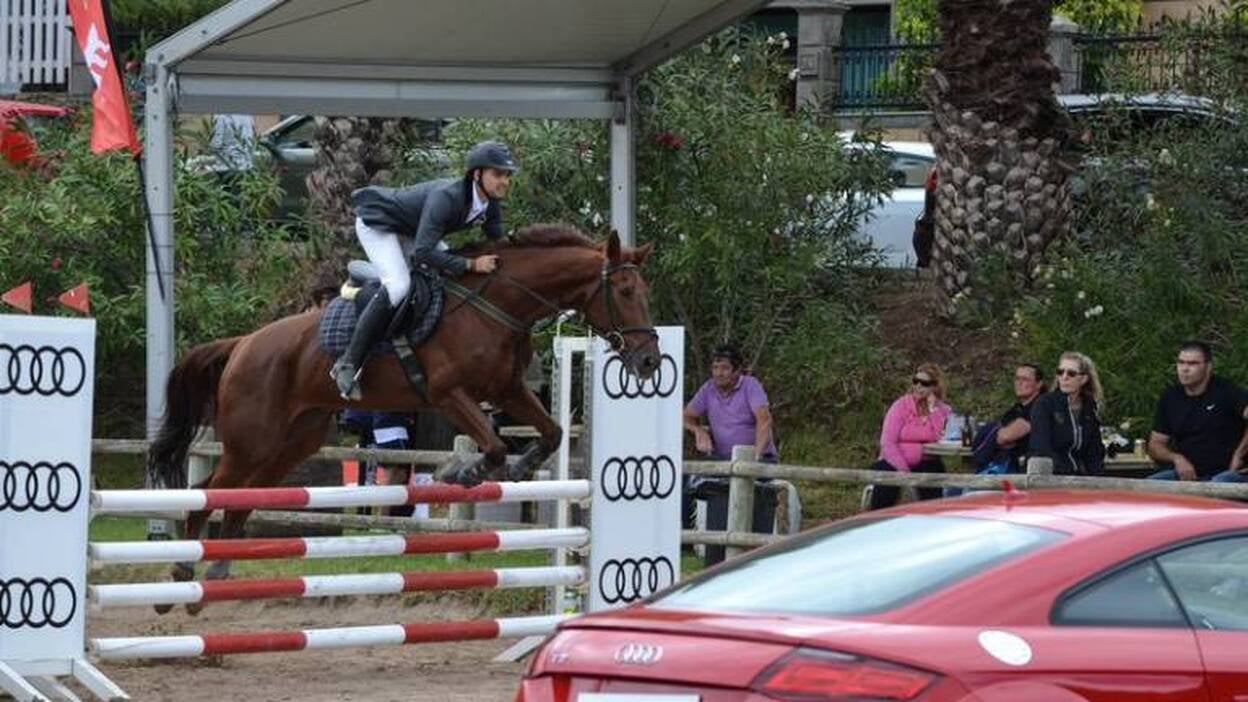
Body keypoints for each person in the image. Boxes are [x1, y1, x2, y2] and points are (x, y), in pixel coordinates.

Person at [330, 140, 519, 400]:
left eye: (507, 175)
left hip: (413, 232)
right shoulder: (448, 197)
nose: (504, 181)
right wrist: (471, 264)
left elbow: (500, 244)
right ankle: (348, 363)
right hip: (380, 225)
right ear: (477, 174)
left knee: (445, 273)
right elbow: (423, 253)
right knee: (399, 286)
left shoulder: (489, 204)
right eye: (498, 174)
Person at [1147, 341, 1248, 483]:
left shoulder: (1227, 392)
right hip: (1186, 474)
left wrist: (1240, 454)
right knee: (1148, 487)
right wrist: (1177, 459)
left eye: (1192, 364)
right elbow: (1155, 445)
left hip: (1226, 473)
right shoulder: (1170, 397)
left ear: (1208, 367)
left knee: (1217, 486)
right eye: (1181, 363)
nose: (1185, 369)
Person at [867, 363, 952, 510]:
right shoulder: (900, 406)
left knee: (933, 478)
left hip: (927, 462)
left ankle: (931, 520)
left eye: (924, 383)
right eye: (916, 381)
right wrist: (903, 470)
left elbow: (941, 437)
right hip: (894, 460)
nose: (918, 386)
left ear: (935, 387)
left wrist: (933, 410)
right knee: (887, 478)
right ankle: (878, 521)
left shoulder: (942, 410)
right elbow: (887, 442)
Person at [683, 343, 777, 462]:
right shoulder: (708, 389)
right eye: (715, 368)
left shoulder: (751, 385)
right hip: (723, 459)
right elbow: (686, 416)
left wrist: (756, 456)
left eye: (725, 368)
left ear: (737, 370)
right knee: (692, 477)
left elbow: (764, 420)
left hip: (758, 457)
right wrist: (698, 430)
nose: (719, 374)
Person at [1029, 352, 1105, 475]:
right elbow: (1040, 447)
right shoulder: (1045, 404)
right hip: (1050, 477)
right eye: (1060, 372)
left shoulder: (1090, 409)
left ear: (1083, 379)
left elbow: (1094, 452)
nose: (1064, 377)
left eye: (1071, 373)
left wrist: (1097, 481)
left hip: (1082, 479)